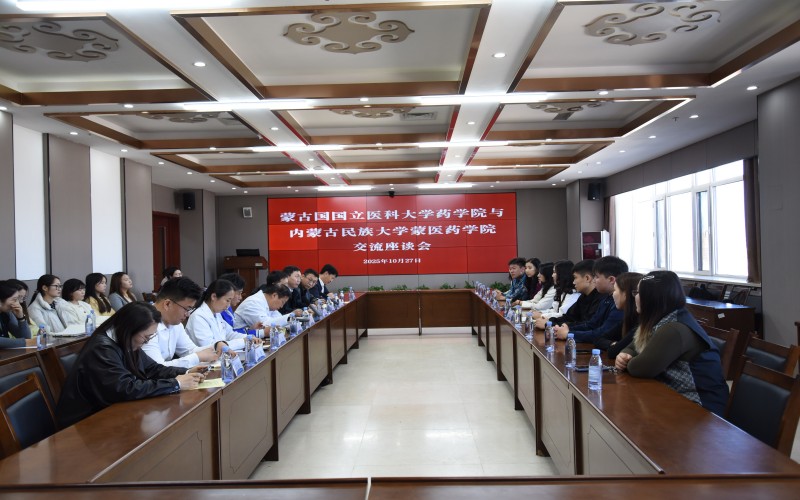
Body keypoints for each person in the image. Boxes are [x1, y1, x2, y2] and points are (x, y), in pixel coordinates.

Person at [55, 302, 206, 428]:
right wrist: (176, 383)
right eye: (146, 337)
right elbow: (125, 388)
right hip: (85, 423)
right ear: (130, 329)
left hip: (112, 413)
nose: (146, 342)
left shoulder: (125, 341)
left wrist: (186, 372)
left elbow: (152, 368)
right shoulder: (102, 349)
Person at [615, 271, 729, 416]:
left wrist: (626, 361)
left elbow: (640, 368)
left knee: (627, 413)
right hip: (674, 395)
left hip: (700, 407)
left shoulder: (674, 328)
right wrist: (626, 354)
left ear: (651, 297)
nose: (635, 297)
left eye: (637, 292)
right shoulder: (662, 319)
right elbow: (633, 346)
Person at [141, 277, 219, 369]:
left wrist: (216, 346)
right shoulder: (145, 323)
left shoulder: (174, 322)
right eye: (187, 309)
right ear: (167, 304)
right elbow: (157, 368)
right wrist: (197, 357)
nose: (188, 314)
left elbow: (189, 350)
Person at [553, 256, 628, 342]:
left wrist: (568, 334)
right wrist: (565, 329)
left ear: (611, 279)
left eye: (597, 277)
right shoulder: (606, 299)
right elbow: (591, 325)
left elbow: (603, 333)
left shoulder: (619, 303)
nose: (594, 280)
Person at [186, 279, 262, 351]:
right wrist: (242, 342)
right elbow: (212, 347)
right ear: (214, 297)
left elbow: (229, 334)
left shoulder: (217, 314)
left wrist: (248, 338)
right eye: (227, 300)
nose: (228, 306)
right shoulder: (198, 317)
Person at [594, 272, 643, 359]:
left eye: (615, 290)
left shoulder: (640, 321)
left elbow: (613, 352)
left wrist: (615, 346)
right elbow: (598, 339)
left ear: (625, 294)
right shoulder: (628, 317)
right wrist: (613, 344)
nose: (613, 294)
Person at [543, 259, 602, 330]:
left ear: (587, 278)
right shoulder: (583, 296)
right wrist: (550, 321)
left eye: (575, 278)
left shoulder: (600, 299)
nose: (573, 282)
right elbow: (569, 317)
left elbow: (587, 325)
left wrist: (551, 324)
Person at [0, 280, 35, 348]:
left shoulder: (6, 314)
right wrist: (25, 342)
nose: (17, 303)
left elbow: (26, 337)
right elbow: (26, 341)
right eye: (14, 299)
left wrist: (21, 317)